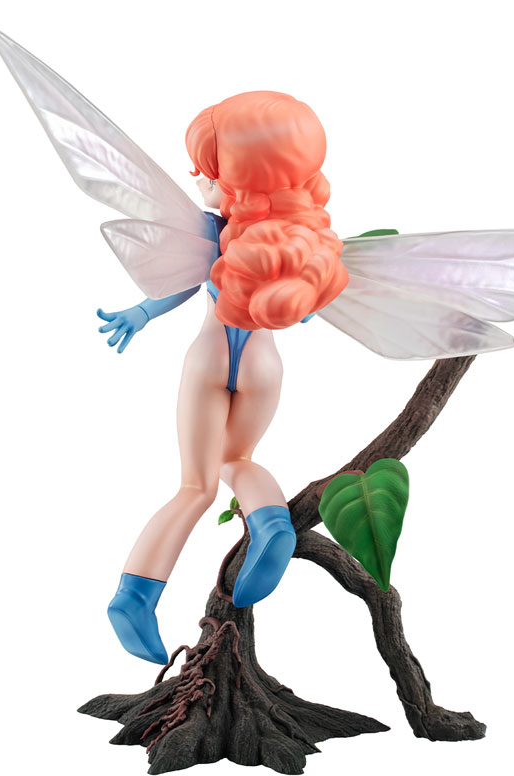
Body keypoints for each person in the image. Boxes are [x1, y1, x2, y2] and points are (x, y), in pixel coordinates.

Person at [103, 92, 349, 664]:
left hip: (210, 356)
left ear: (235, 185)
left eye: (207, 176)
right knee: (238, 459)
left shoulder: (211, 230)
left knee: (196, 485)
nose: (198, 183)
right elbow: (306, 311)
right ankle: (271, 525)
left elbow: (183, 281)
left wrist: (140, 312)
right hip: (263, 365)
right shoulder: (310, 248)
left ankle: (135, 597)